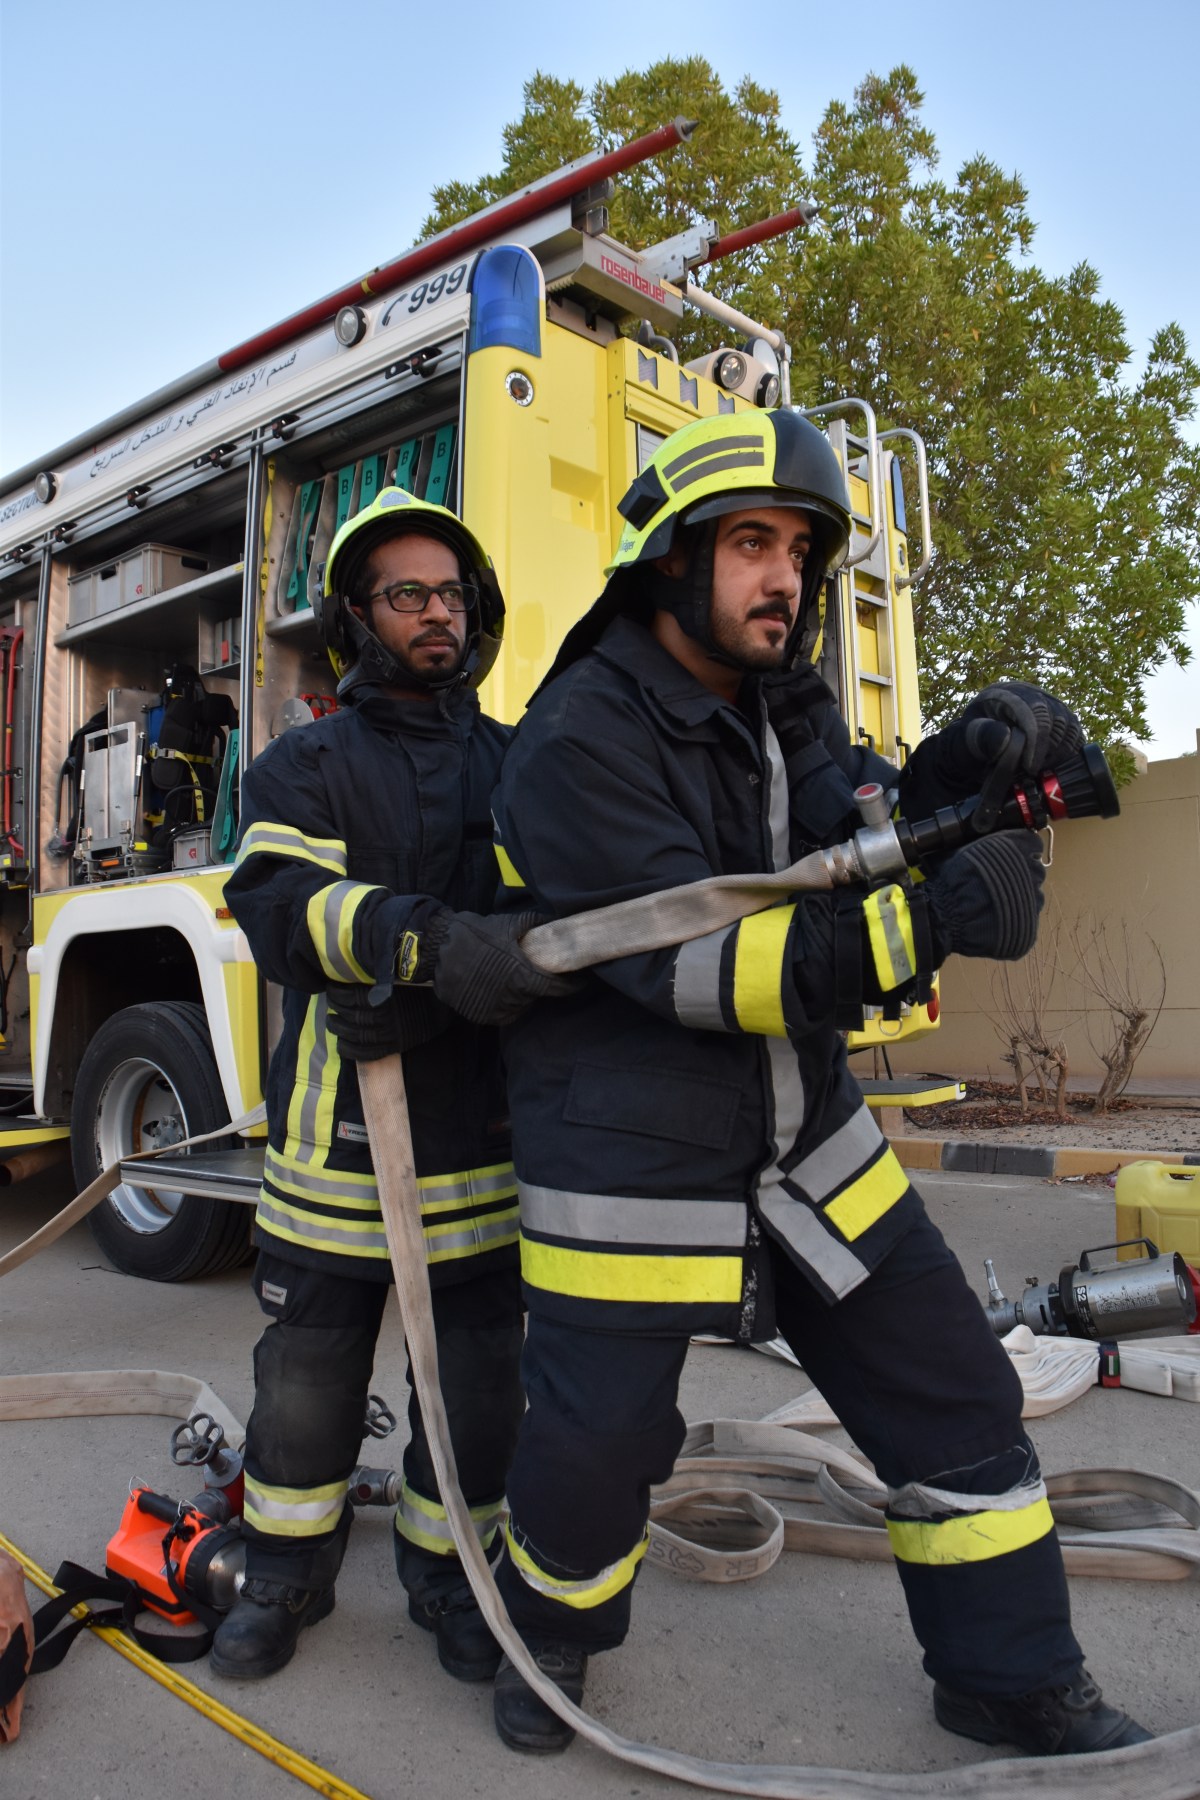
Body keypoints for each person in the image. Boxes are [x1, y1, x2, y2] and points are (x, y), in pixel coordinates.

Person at [487, 411, 1151, 1758]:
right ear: (670, 562)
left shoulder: (782, 712)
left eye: (799, 552)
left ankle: (1009, 1677)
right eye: (751, 544)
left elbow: (861, 837)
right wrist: (938, 917)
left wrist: (960, 779)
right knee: (597, 1449)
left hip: (803, 1140)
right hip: (627, 1156)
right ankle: (547, 1631)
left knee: (956, 1393)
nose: (784, 578)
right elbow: (699, 965)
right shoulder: (576, 739)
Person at [215, 487, 566, 1682]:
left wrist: (463, 967)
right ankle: (283, 1575)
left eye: (451, 592)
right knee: (305, 1385)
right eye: (407, 593)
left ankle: (452, 1575)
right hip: (338, 1146)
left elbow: (555, 922)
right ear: (358, 619)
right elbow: (278, 907)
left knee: (479, 1391)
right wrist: (421, 943)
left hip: (484, 1147)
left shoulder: (520, 766)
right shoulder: (302, 765)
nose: (436, 612)